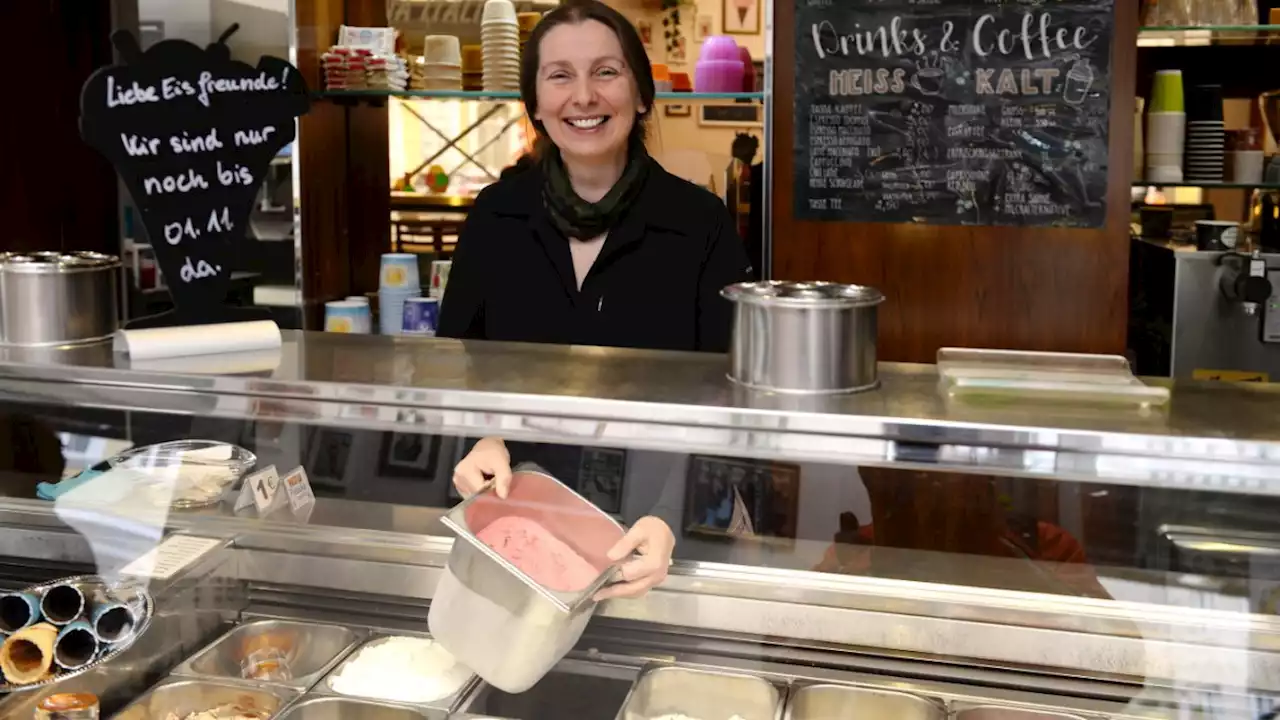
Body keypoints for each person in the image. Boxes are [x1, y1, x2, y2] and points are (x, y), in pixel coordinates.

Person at [441, 0, 753, 601]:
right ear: (535, 102)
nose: (583, 96)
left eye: (606, 72)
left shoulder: (700, 224)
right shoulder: (494, 217)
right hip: (520, 531)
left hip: (655, 539)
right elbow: (458, 363)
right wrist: (478, 440)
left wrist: (670, 518)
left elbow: (728, 397)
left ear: (640, 94)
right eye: (560, 75)